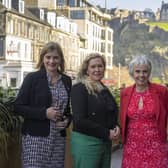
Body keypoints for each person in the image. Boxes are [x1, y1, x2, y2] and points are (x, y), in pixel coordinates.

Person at [14, 41, 72, 168]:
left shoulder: (67, 81)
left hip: (57, 139)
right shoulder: (32, 78)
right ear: (42, 58)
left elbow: (67, 110)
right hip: (35, 139)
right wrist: (45, 113)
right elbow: (18, 107)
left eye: (55, 57)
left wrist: (66, 121)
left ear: (61, 59)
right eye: (48, 57)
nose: (52, 61)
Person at [70, 53, 120, 168]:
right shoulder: (79, 88)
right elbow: (79, 120)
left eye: (100, 66)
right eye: (93, 67)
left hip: (105, 143)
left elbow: (110, 112)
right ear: (86, 70)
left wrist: (116, 126)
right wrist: (107, 133)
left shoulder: (104, 89)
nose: (97, 69)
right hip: (86, 144)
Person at [120, 55, 168, 168]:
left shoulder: (162, 91)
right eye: (138, 71)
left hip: (156, 145)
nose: (141, 75)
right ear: (132, 73)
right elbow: (122, 117)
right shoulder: (125, 93)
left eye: (145, 71)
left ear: (149, 72)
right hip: (132, 145)